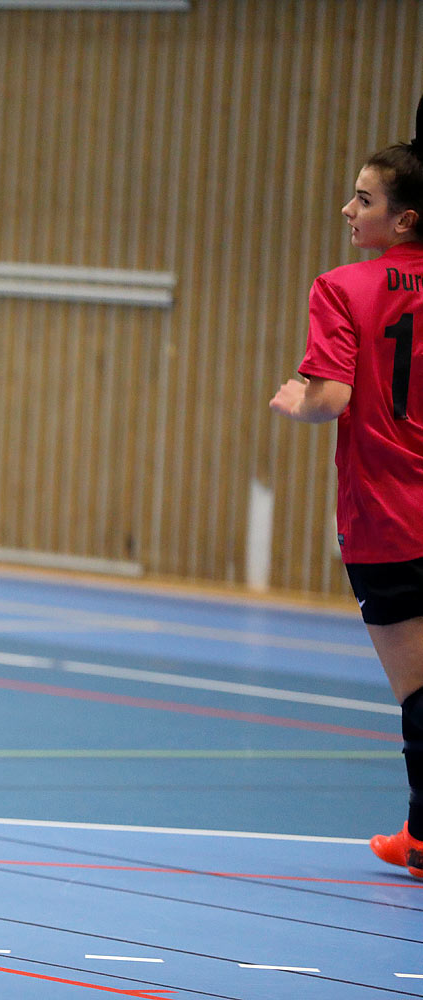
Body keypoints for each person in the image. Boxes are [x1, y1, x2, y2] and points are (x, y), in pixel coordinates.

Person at [270, 96, 423, 878]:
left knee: (417, 688)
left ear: (404, 220)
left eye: (364, 197)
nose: (346, 207)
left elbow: (331, 395)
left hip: (390, 516)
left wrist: (298, 397)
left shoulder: (344, 287)